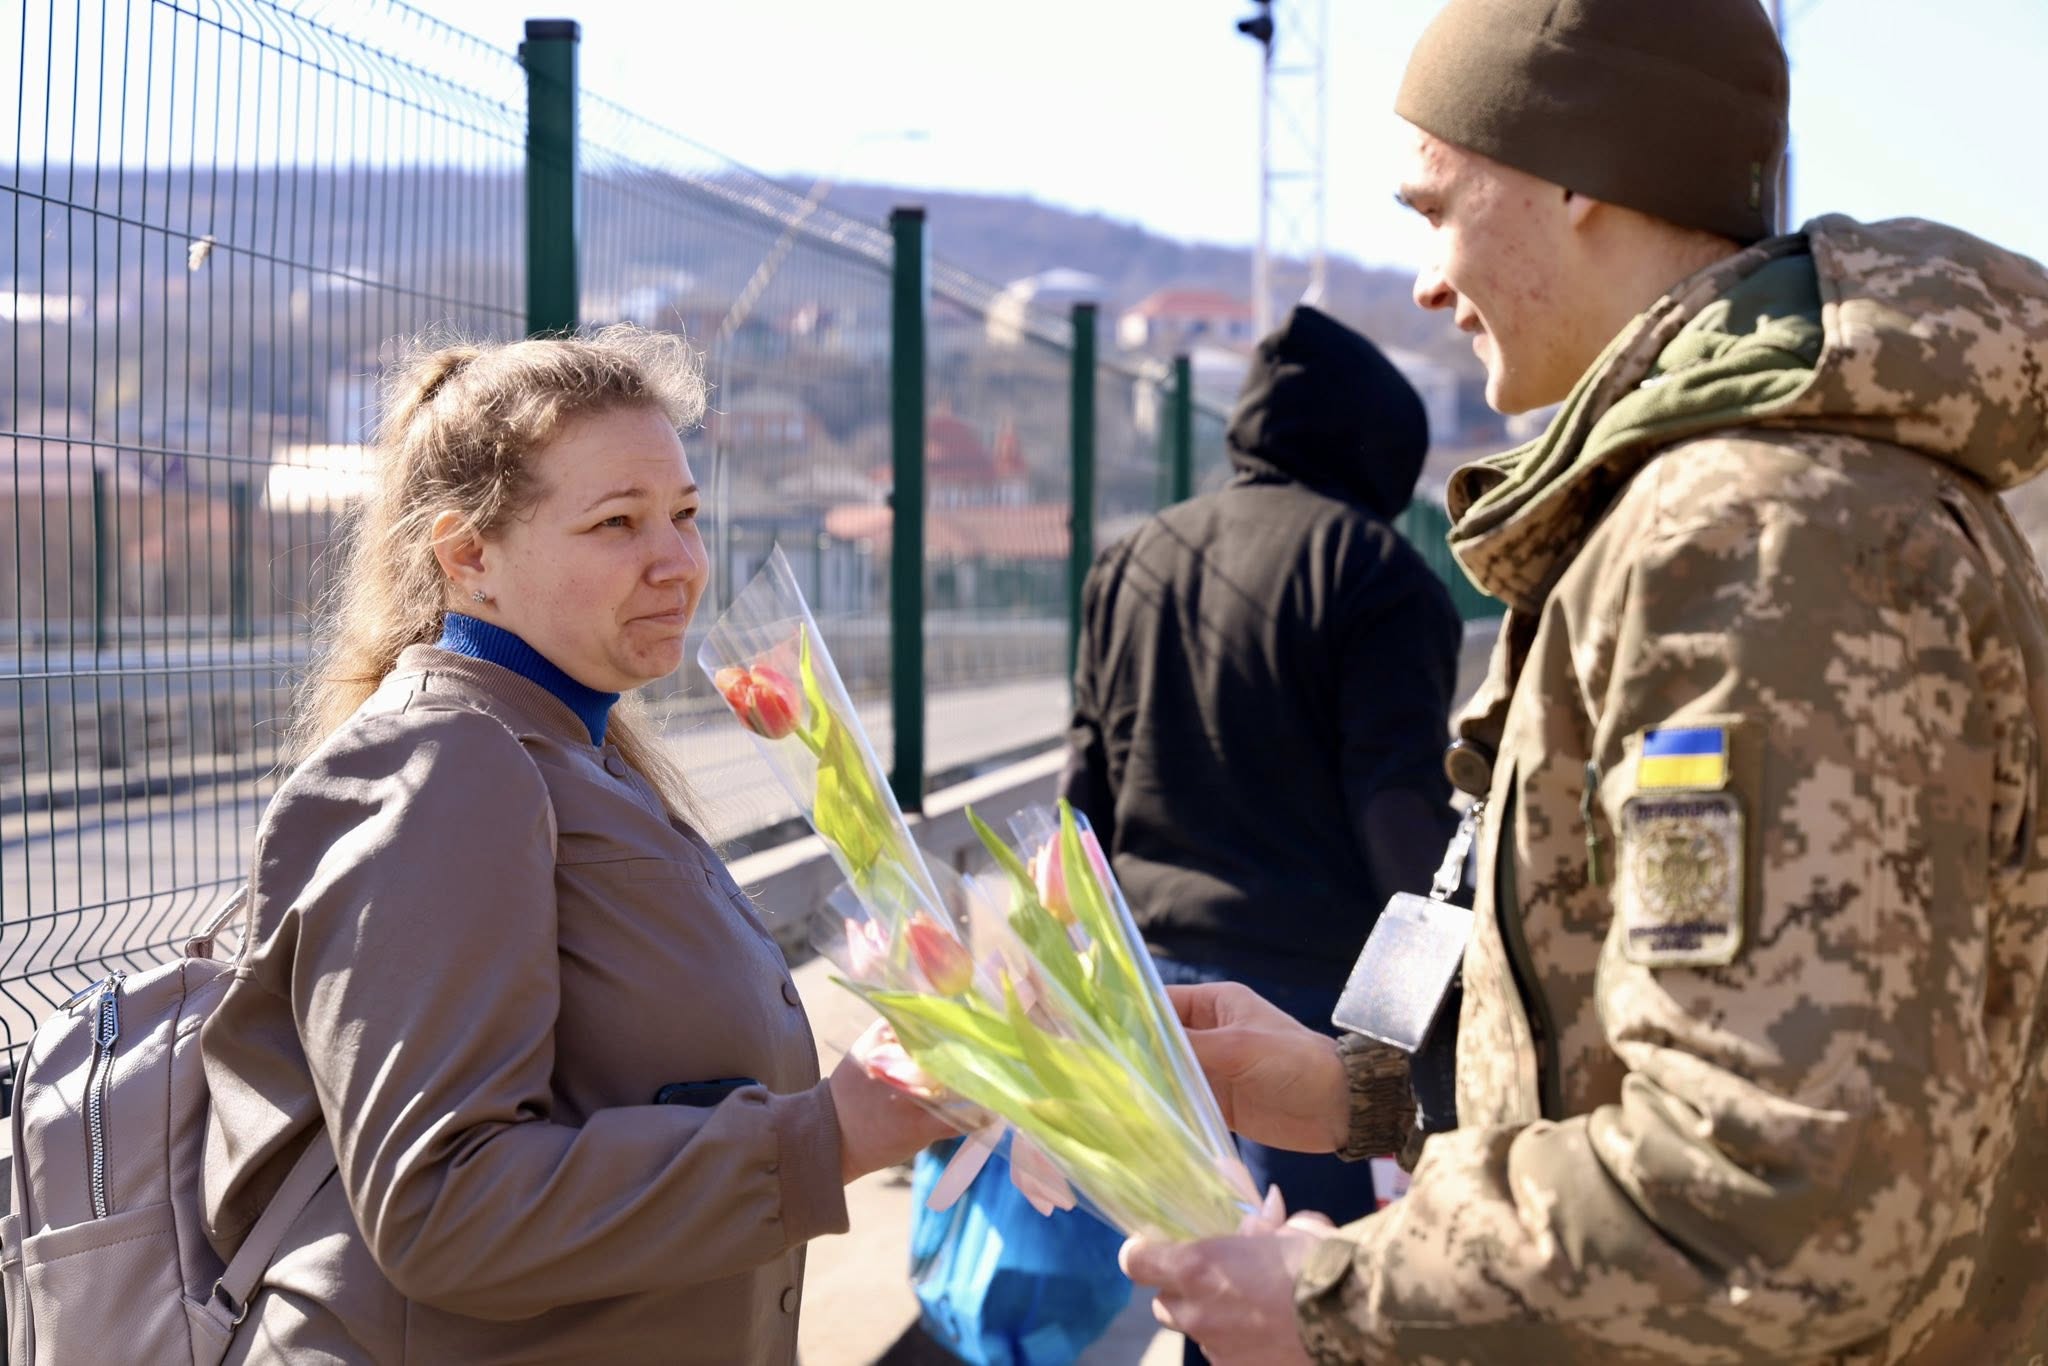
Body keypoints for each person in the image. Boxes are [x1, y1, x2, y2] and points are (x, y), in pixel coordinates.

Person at [1121, 0, 2048, 1362]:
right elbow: (1636, 1022)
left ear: (1575, 178)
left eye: (1436, 209)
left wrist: (1339, 1298)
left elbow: (1771, 1192)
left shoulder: (1753, 536)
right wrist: (1357, 1087)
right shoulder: (1728, 506)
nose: (1425, 282)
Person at [199, 328, 949, 1363]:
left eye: (685, 515)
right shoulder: (445, 765)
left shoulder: (576, 756)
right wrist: (828, 1133)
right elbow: (442, 1206)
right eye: (616, 523)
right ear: (469, 556)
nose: (679, 563)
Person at [1060, 304, 1459, 1264]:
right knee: (1301, 1288)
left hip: (1156, 987)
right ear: (1382, 450)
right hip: (1306, 1007)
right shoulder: (1380, 573)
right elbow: (1398, 818)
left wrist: (1079, 977)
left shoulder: (1133, 559)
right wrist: (1427, 1023)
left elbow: (1086, 789)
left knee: (1196, 1274)